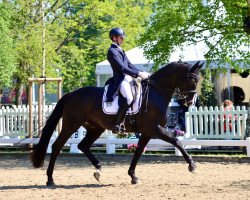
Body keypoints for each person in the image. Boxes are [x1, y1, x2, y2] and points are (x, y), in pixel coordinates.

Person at [105, 27, 150, 134]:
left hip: (128, 78)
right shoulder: (112, 51)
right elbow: (122, 68)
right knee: (128, 98)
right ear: (114, 38)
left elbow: (130, 65)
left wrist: (143, 73)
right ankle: (117, 124)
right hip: (120, 79)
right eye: (121, 38)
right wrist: (138, 74)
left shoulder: (120, 50)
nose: (123, 40)